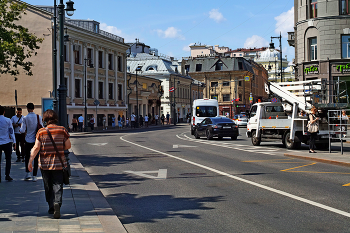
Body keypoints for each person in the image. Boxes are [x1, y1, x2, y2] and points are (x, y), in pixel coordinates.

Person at [28, 109, 71, 219]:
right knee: (58, 185)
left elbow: (36, 148)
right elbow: (68, 146)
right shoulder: (62, 130)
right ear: (55, 118)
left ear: (45, 119)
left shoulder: (41, 132)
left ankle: (51, 206)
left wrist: (30, 160)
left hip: (45, 165)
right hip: (58, 164)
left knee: (48, 186)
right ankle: (57, 203)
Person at [20, 103, 43, 181]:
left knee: (27, 157)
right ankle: (35, 176)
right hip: (36, 140)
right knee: (36, 157)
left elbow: (22, 130)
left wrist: (21, 130)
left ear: (27, 108)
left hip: (28, 140)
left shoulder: (25, 118)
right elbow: (42, 127)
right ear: (34, 108)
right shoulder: (38, 117)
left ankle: (27, 173)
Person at [0, 105, 16, 182]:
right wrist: (14, 142)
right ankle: (7, 175)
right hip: (6, 141)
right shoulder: (8, 120)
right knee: (8, 159)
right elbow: (11, 131)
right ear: (4, 112)